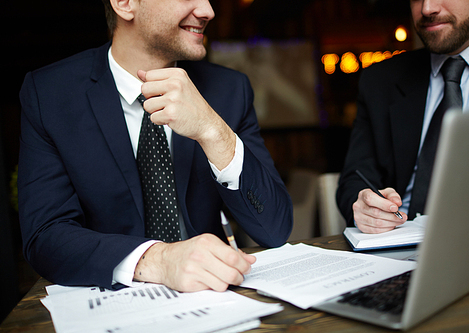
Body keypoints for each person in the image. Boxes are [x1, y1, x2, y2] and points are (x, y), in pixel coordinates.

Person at [18, 0, 293, 292]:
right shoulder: (49, 94)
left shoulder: (230, 90)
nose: (208, 11)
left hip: (216, 297)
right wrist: (160, 260)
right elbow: (45, 237)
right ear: (125, 4)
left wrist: (212, 130)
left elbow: (275, 230)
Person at [337, 0, 469, 234]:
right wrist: (365, 205)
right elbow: (355, 178)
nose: (427, 8)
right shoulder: (380, 82)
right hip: (396, 247)